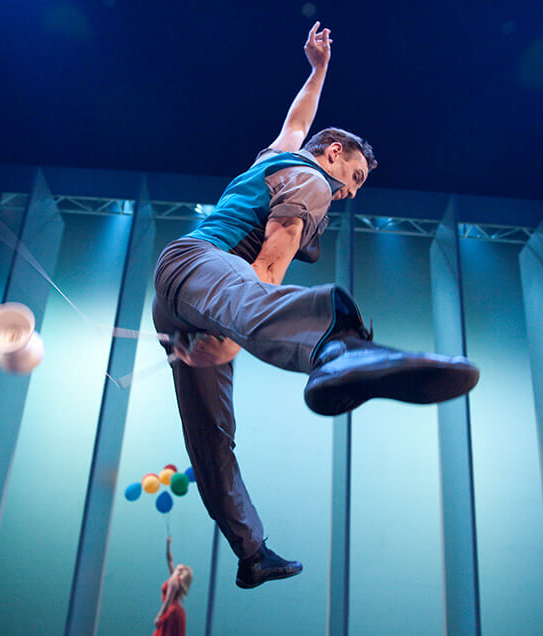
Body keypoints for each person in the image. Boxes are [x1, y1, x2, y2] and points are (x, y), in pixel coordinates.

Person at [151, 23, 479, 590]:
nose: (350, 191)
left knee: (210, 435)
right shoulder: (314, 183)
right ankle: (337, 347)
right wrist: (231, 339)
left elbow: (297, 122)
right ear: (334, 154)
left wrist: (318, 69)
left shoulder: (278, 157)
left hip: (183, 302)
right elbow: (267, 270)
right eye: (354, 176)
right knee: (252, 302)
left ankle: (251, 551)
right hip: (203, 269)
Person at [149, 536, 193, 636]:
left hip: (172, 611)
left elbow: (167, 601)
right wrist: (168, 544)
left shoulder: (174, 581)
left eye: (181, 568)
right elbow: (169, 560)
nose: (177, 566)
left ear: (181, 572)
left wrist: (159, 616)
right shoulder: (174, 578)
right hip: (175, 611)